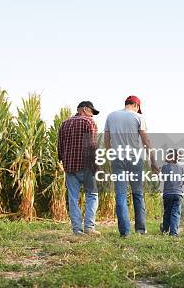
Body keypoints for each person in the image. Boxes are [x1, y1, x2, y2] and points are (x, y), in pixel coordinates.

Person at [104, 95, 158, 237]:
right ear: (137, 105)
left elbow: (106, 140)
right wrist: (153, 161)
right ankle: (140, 230)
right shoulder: (138, 117)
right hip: (134, 159)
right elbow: (146, 140)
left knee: (120, 194)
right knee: (138, 194)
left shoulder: (111, 116)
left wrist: (111, 156)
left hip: (117, 159)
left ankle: (124, 232)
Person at [58, 101, 100, 236]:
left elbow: (60, 147)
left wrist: (63, 160)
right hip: (86, 166)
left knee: (73, 198)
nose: (92, 116)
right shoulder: (89, 123)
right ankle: (89, 227)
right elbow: (92, 146)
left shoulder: (64, 124)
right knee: (92, 195)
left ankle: (77, 229)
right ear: (84, 109)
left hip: (70, 167)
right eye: (91, 112)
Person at [160, 149, 184, 236]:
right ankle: (173, 232)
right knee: (175, 213)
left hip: (167, 194)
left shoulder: (164, 167)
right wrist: (179, 185)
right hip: (178, 194)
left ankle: (165, 229)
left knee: (167, 212)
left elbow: (162, 177)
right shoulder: (181, 168)